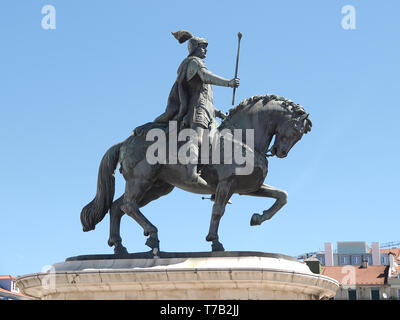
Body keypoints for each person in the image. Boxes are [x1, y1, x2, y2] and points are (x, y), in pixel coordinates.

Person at [155, 30, 239, 187]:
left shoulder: (198, 63)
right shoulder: (194, 62)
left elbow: (206, 99)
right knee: (197, 139)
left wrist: (219, 113)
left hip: (207, 112)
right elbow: (206, 77)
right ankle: (192, 173)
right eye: (202, 47)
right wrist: (229, 83)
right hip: (196, 110)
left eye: (205, 47)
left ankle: (215, 179)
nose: (205, 50)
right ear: (194, 49)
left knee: (218, 142)